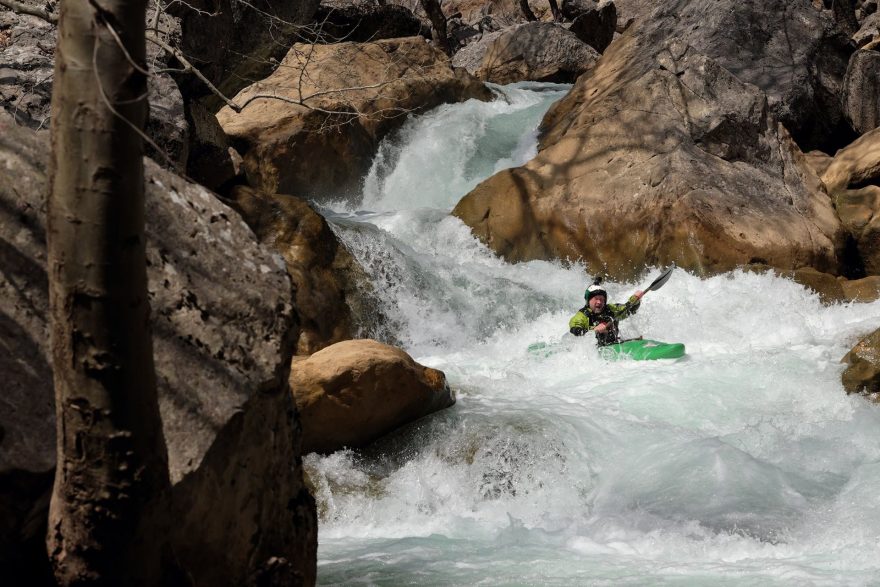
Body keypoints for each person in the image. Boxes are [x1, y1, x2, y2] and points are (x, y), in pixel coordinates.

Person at [569, 280, 644, 346]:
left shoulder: (611, 309)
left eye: (602, 299)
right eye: (596, 299)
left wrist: (636, 299)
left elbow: (629, 310)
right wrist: (594, 330)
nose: (599, 302)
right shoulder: (582, 315)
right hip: (592, 350)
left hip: (614, 344)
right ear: (588, 300)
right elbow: (575, 331)